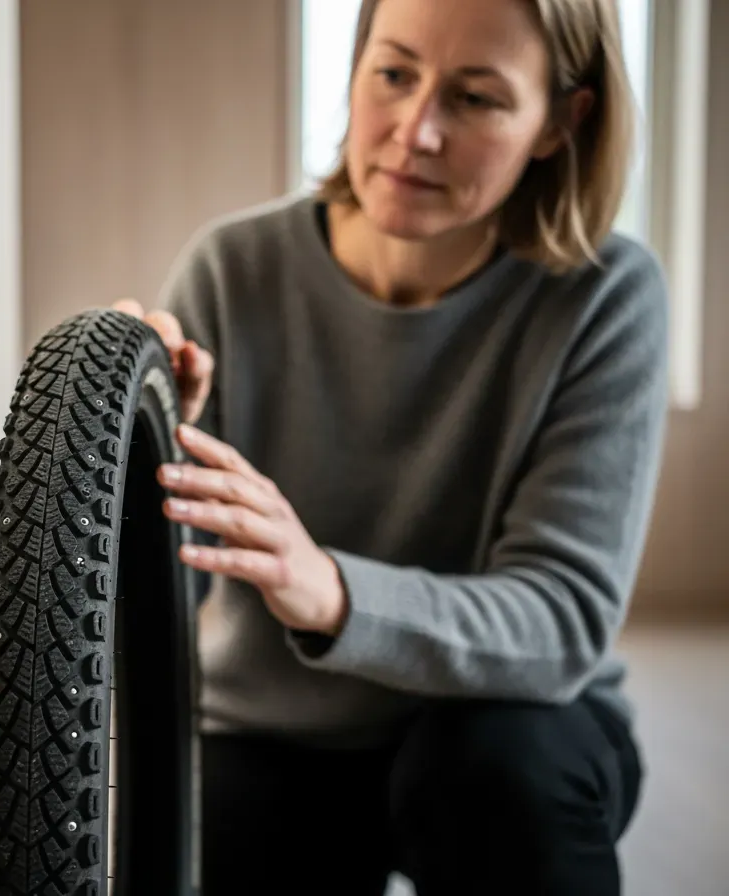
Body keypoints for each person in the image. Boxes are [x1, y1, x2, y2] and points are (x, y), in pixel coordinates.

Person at [113, 0, 668, 893]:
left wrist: (330, 591)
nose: (418, 132)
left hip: (505, 726)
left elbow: (561, 620)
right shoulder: (232, 267)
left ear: (563, 123)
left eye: (478, 98)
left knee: (493, 777)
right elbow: (162, 598)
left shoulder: (606, 297)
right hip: (274, 732)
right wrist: (137, 445)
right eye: (394, 74)